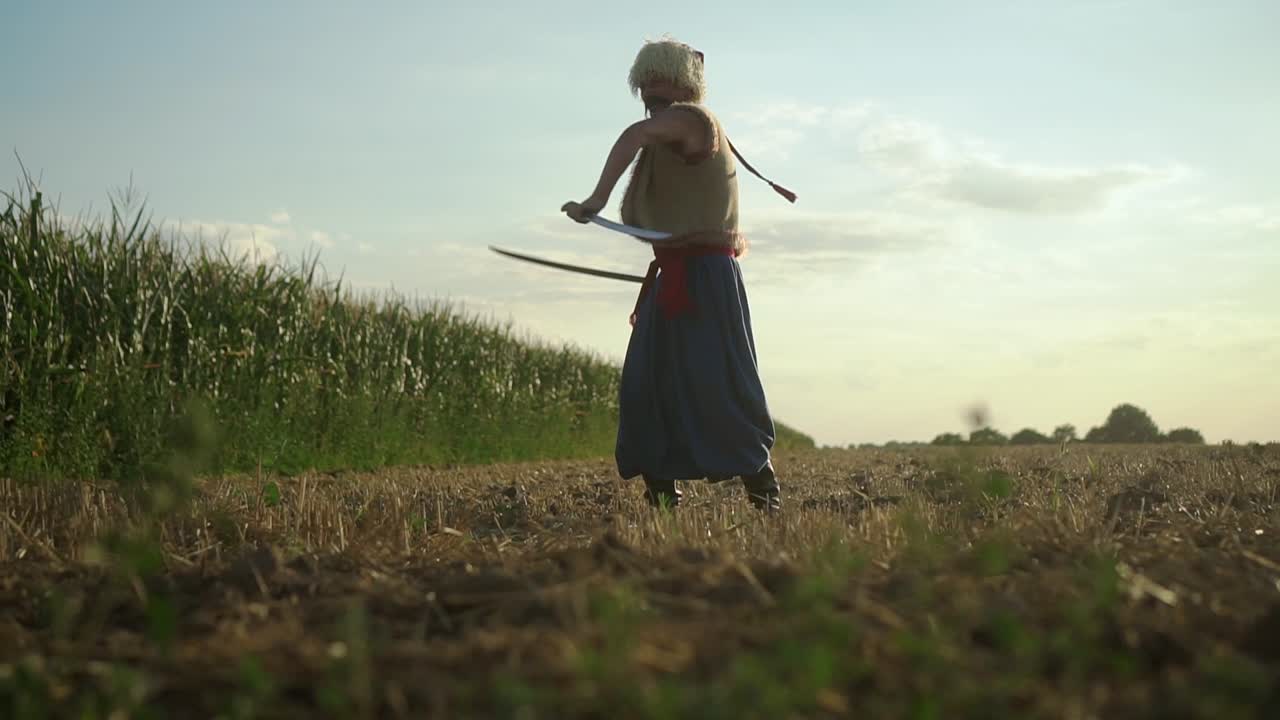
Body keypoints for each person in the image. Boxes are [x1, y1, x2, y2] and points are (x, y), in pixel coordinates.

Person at [562, 37, 792, 512]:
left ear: (684, 84)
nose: (649, 89)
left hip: (704, 277)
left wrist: (595, 202)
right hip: (676, 274)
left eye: (660, 78)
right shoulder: (671, 129)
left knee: (717, 384)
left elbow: (632, 136)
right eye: (644, 80)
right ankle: (663, 502)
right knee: (648, 385)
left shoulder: (693, 121)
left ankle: (764, 495)